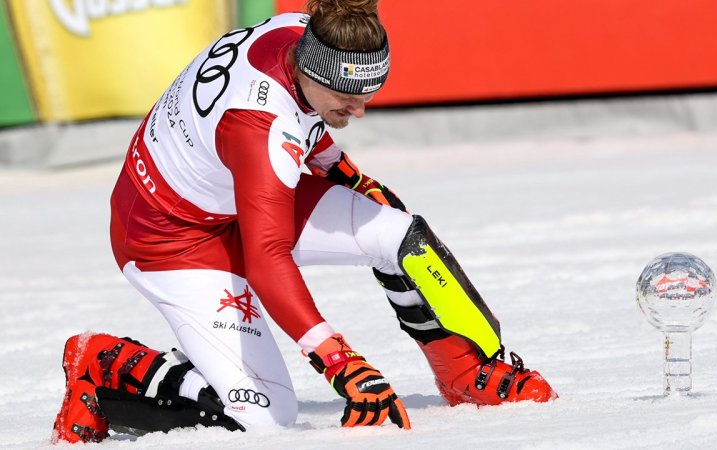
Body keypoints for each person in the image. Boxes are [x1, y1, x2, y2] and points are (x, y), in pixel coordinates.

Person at [52, 0, 557, 443]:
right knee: (262, 415)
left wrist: (348, 174)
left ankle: (469, 370)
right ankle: (103, 367)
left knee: (399, 231)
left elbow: (307, 118)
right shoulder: (259, 127)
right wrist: (343, 364)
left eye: (370, 94)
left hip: (230, 191)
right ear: (311, 73)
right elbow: (267, 256)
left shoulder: (303, 33)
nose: (358, 112)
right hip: (170, 240)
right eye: (346, 98)